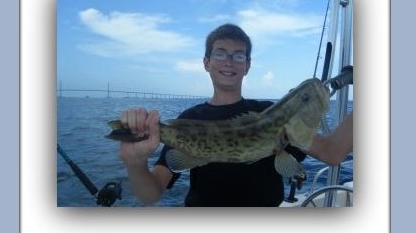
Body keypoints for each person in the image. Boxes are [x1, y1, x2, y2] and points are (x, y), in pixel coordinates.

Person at [118, 24, 353, 206]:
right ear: (206, 63)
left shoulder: (268, 114)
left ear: (247, 65)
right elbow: (152, 193)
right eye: (221, 54)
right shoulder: (190, 119)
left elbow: (333, 153)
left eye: (238, 56)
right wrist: (135, 162)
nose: (229, 61)